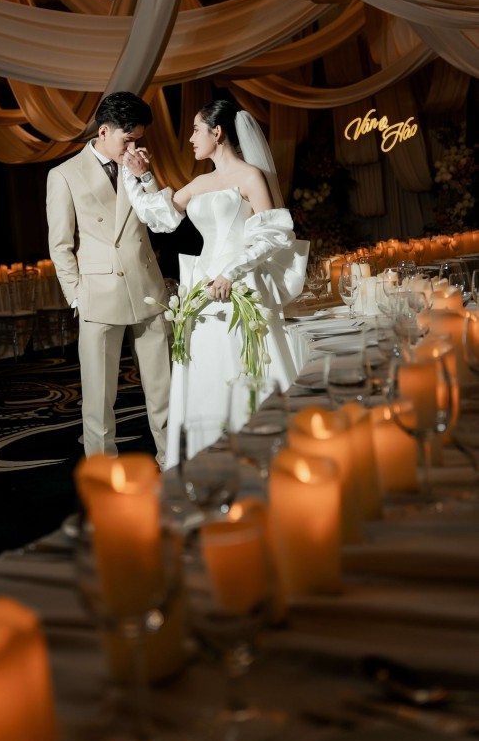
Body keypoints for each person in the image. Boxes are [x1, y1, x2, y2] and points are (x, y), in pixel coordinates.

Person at [122, 98, 309, 469]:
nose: (191, 138)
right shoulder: (200, 182)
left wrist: (231, 272)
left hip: (240, 284)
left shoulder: (250, 177)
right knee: (206, 371)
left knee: (243, 367)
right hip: (202, 290)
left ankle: (260, 455)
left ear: (217, 132)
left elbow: (273, 234)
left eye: (196, 129)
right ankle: (211, 458)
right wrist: (138, 176)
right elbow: (159, 217)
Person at [46, 91, 172, 465]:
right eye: (128, 140)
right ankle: (103, 477)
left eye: (138, 140)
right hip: (98, 296)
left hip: (148, 289)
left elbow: (159, 220)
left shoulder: (138, 165)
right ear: (104, 131)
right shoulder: (64, 175)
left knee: (163, 390)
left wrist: (145, 175)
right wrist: (76, 295)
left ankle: (173, 462)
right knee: (99, 401)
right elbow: (60, 245)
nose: (134, 148)